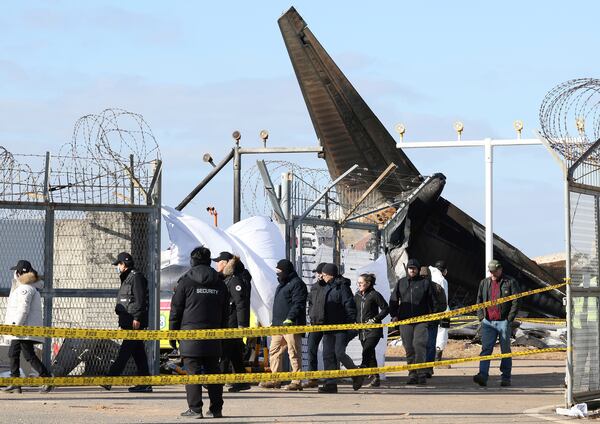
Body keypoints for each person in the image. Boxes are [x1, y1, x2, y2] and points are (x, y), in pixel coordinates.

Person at [170, 247, 229, 419]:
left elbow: (176, 310)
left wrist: (173, 335)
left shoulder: (186, 282)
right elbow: (226, 312)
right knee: (214, 372)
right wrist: (222, 335)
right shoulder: (220, 283)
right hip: (214, 335)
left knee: (192, 373)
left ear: (192, 261)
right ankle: (216, 409)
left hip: (190, 336)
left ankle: (195, 409)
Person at [389, 258, 446, 385]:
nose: (412, 270)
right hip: (405, 321)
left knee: (419, 345)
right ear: (407, 269)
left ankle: (421, 373)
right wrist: (394, 315)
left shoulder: (425, 283)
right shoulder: (401, 283)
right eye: (410, 268)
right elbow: (393, 300)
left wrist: (432, 316)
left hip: (422, 321)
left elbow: (433, 302)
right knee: (409, 348)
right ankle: (412, 373)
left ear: (418, 270)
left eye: (414, 268)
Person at [2, 260, 53, 394]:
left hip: (22, 329)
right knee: (13, 353)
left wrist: (16, 326)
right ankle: (15, 383)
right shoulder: (26, 287)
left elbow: (23, 310)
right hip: (21, 329)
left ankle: (47, 379)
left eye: (15, 272)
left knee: (28, 355)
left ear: (19, 273)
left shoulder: (25, 289)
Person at [102, 252, 151, 393]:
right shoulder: (127, 278)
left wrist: (137, 318)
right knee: (139, 354)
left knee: (124, 352)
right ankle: (145, 383)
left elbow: (140, 300)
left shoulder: (136, 277)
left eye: (118, 264)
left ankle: (110, 379)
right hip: (128, 320)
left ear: (123, 264)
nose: (117, 267)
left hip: (133, 322)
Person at [259, 259, 307, 391]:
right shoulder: (282, 284)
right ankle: (275, 379)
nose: (277, 274)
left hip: (291, 325)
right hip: (278, 325)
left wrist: (290, 318)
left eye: (279, 271)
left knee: (294, 352)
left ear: (286, 271)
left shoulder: (297, 284)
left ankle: (296, 381)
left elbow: (298, 303)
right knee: (274, 351)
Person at [473, 259, 520, 387]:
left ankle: (506, 377)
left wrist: (509, 319)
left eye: (495, 271)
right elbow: (479, 301)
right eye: (491, 271)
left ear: (500, 269)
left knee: (505, 350)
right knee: (486, 349)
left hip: (503, 322)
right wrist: (481, 317)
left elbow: (516, 302)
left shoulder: (510, 282)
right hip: (488, 322)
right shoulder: (484, 283)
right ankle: (482, 375)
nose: (493, 274)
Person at [319, 263, 363, 394]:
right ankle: (330, 383)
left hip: (341, 327)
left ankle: (356, 375)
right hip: (327, 327)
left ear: (330, 275)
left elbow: (349, 305)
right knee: (327, 354)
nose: (323, 277)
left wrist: (350, 323)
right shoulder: (325, 287)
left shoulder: (342, 288)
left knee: (339, 353)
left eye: (324, 275)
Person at [213, 251, 251, 393]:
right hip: (230, 320)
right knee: (234, 352)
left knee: (225, 351)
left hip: (232, 321)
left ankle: (218, 381)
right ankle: (242, 381)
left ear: (225, 263)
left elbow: (240, 302)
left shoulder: (234, 279)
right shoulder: (228, 278)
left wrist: (242, 325)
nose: (217, 264)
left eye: (219, 262)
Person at [354, 273, 389, 388]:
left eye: (361, 282)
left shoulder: (374, 295)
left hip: (373, 330)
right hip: (361, 330)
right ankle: (375, 377)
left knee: (367, 350)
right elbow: (355, 311)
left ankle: (362, 373)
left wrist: (375, 319)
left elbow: (385, 309)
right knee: (371, 353)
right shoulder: (357, 296)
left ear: (368, 283)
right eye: (358, 282)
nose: (359, 284)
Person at [302, 262, 327, 389]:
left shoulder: (331, 287)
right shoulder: (314, 287)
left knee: (330, 352)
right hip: (315, 323)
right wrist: (311, 315)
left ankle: (330, 378)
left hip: (328, 324)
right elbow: (311, 303)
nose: (317, 275)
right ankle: (313, 378)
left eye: (319, 273)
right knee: (311, 349)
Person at [423, 263, 449, 378]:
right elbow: (444, 298)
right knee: (440, 335)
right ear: (445, 271)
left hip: (426, 315)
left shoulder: (429, 275)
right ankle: (436, 359)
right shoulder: (442, 280)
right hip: (440, 312)